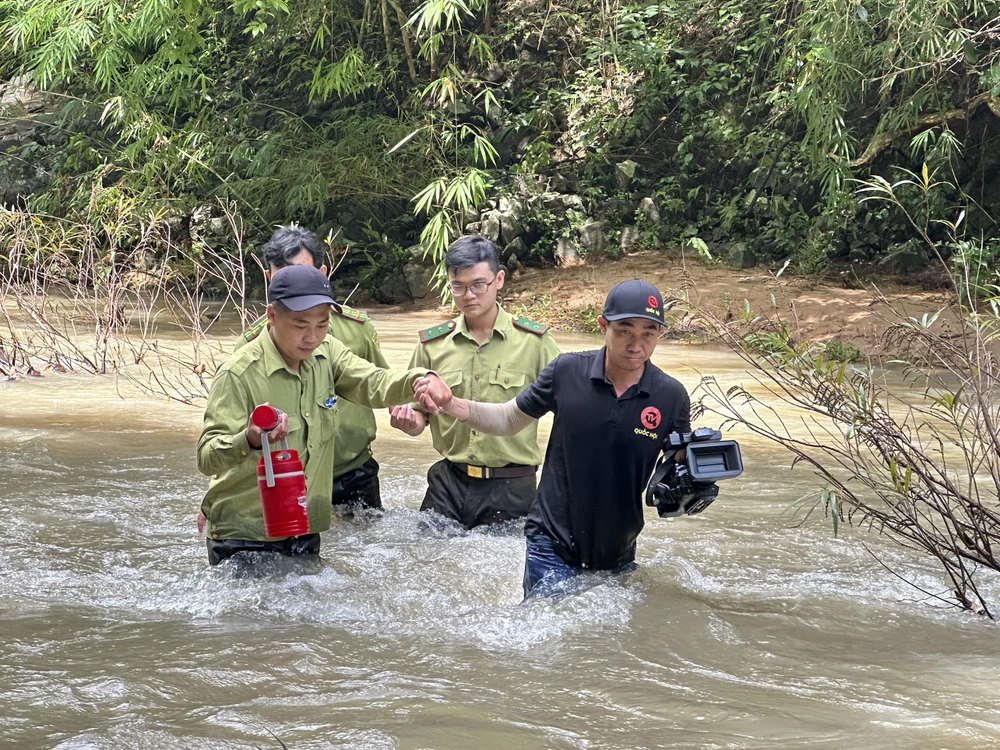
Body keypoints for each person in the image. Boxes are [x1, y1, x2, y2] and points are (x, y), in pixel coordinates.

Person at [415, 278, 691, 597]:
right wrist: (451, 403)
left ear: (661, 334)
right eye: (624, 330)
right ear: (603, 326)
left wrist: (694, 483)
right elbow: (507, 419)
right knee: (546, 635)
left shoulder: (670, 396)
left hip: (618, 552)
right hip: (550, 545)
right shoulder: (566, 371)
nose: (635, 345)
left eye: (648, 333)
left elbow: (678, 477)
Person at [197, 264, 443, 566]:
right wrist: (248, 438)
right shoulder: (239, 374)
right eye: (300, 325)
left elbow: (373, 382)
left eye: (322, 324)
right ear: (272, 316)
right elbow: (207, 456)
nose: (312, 337)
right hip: (245, 534)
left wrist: (419, 380)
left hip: (303, 527)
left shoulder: (326, 353)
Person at [388, 235, 560, 530]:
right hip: (448, 484)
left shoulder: (535, 344)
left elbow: (570, 410)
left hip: (512, 486)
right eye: (458, 286)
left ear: (499, 280)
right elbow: (420, 417)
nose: (469, 295)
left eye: (479, 284)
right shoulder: (432, 344)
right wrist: (408, 421)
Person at [236, 225, 388, 513]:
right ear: (269, 279)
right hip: (290, 477)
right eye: (283, 278)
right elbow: (235, 433)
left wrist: (416, 403)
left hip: (353, 471)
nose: (296, 287)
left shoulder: (356, 329)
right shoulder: (251, 344)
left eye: (304, 273)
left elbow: (382, 385)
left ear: (323, 272)